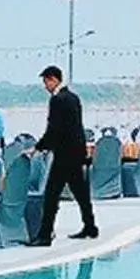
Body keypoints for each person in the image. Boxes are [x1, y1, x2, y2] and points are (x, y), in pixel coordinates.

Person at [34, 66, 97, 247]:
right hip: (76, 152)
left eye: (46, 81)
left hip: (64, 155)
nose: (45, 86)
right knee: (81, 193)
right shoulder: (73, 98)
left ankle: (45, 235)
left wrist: (39, 147)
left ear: (53, 79)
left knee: (51, 195)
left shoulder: (57, 100)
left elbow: (54, 128)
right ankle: (90, 226)